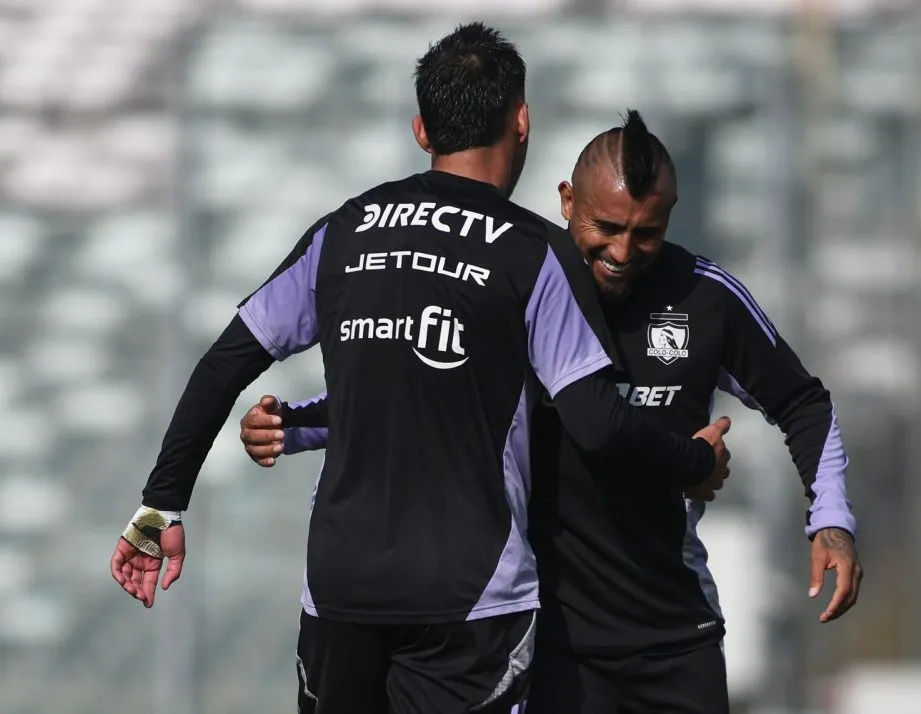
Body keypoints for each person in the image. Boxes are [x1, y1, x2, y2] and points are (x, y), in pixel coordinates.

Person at [108, 24, 732, 714]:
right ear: (522, 122)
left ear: (421, 130)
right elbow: (597, 423)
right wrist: (691, 461)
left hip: (342, 589)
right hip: (470, 599)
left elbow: (225, 363)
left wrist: (162, 503)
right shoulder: (536, 253)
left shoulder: (345, 231)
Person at [241, 110, 863, 714]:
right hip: (549, 644)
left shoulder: (706, 297)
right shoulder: (517, 279)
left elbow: (802, 401)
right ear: (567, 201)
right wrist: (292, 427)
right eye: (606, 227)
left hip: (676, 636)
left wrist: (830, 521)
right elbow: (416, 394)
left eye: (646, 232)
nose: (623, 250)